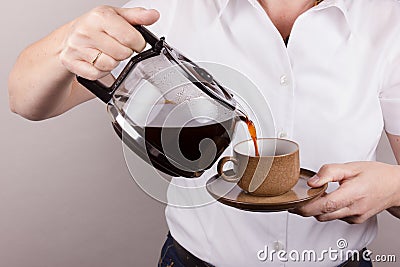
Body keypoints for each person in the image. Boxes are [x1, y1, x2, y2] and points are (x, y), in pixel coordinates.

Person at [8, 0, 400, 266]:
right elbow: (25, 100)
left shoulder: (387, 19)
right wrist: (71, 40)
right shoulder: (173, 8)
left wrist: (394, 188)